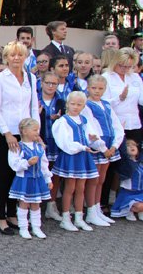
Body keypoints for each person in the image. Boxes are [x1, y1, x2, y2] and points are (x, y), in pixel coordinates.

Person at [0, 41, 40, 235]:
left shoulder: (31, 78)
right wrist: (7, 133)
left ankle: (12, 214)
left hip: (25, 133)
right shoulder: (0, 78)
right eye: (12, 55)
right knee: (4, 174)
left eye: (20, 54)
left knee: (18, 175)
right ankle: (1, 218)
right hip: (5, 133)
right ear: (6, 58)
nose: (16, 58)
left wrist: (35, 132)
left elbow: (33, 107)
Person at [51, 91, 103, 232]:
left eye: (79, 104)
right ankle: (66, 218)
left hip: (83, 157)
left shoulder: (84, 120)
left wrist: (94, 140)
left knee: (81, 187)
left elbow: (90, 137)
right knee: (70, 188)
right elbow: (64, 142)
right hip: (71, 157)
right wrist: (82, 147)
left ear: (83, 106)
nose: (75, 107)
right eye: (73, 104)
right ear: (67, 104)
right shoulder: (62, 121)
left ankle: (79, 218)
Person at [82, 75, 122, 226]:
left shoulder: (106, 104)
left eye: (100, 88)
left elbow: (116, 125)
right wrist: (102, 147)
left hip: (109, 146)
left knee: (101, 180)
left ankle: (97, 208)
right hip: (98, 145)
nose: (97, 91)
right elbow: (90, 128)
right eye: (94, 88)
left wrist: (114, 146)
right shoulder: (86, 105)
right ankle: (91, 211)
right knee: (93, 180)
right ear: (88, 88)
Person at [8, 119, 53, 239]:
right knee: (24, 203)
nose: (37, 132)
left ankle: (36, 227)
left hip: (37, 179)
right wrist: (27, 163)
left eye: (37, 130)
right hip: (25, 180)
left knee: (36, 203)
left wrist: (48, 179)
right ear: (24, 131)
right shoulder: (18, 147)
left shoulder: (39, 147)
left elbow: (44, 165)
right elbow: (14, 164)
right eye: (34, 130)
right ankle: (23, 228)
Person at [38, 71, 65, 221]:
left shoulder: (61, 101)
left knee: (54, 175)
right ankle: (31, 207)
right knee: (36, 172)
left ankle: (51, 205)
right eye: (47, 83)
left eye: (54, 83)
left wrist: (60, 119)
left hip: (55, 142)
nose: (50, 86)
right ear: (42, 83)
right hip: (39, 140)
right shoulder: (35, 99)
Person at [103, 48, 143, 145]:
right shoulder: (106, 77)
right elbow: (103, 103)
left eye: (129, 66)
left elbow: (141, 100)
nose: (125, 69)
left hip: (134, 124)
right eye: (122, 66)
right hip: (116, 124)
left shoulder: (135, 77)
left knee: (135, 151)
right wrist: (119, 98)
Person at [110, 140, 143, 220]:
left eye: (134, 145)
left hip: (140, 192)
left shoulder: (140, 163)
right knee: (135, 204)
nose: (131, 147)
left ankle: (140, 211)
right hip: (128, 193)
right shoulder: (125, 164)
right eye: (128, 145)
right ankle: (128, 210)